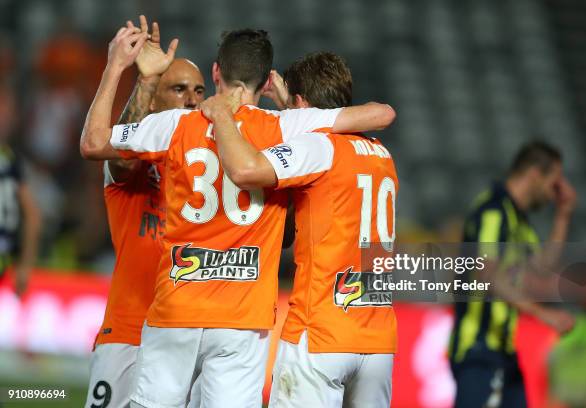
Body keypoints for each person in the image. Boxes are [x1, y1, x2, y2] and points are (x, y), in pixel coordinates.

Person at [79, 17, 396, 408]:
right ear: (265, 83)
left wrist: (115, 65)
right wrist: (287, 108)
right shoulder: (287, 126)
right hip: (242, 320)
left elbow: (93, 142)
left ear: (216, 72)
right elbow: (380, 114)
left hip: (176, 308)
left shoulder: (176, 124)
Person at [201, 51, 398, 408]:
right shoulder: (381, 154)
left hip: (321, 332)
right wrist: (288, 104)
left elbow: (246, 170)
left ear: (303, 104)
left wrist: (220, 115)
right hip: (378, 338)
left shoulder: (318, 146)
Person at [84, 18, 206, 408]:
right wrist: (146, 80)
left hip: (185, 336)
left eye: (199, 91)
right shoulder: (133, 162)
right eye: (179, 89)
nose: (192, 100)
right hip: (128, 332)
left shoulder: (207, 167)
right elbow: (116, 154)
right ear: (155, 100)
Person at [448, 141, 577, 408]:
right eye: (553, 183)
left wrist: (563, 216)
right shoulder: (493, 211)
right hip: (479, 349)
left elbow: (542, 267)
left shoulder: (518, 220)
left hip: (503, 353)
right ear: (534, 174)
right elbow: (486, 274)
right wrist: (543, 313)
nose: (555, 193)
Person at [0, 83, 41, 297]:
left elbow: (33, 215)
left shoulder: (11, 159)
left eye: (8, 111)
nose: (5, 116)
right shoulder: (9, 159)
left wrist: (25, 265)